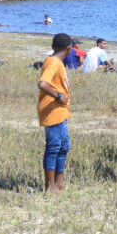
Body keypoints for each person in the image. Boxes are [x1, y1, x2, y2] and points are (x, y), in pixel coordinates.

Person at [37, 33, 73, 194]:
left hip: (60, 111)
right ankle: (50, 187)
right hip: (53, 110)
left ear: (53, 46)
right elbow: (42, 84)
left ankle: (59, 184)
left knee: (64, 146)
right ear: (69, 49)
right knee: (53, 147)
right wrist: (58, 95)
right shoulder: (54, 63)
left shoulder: (55, 61)